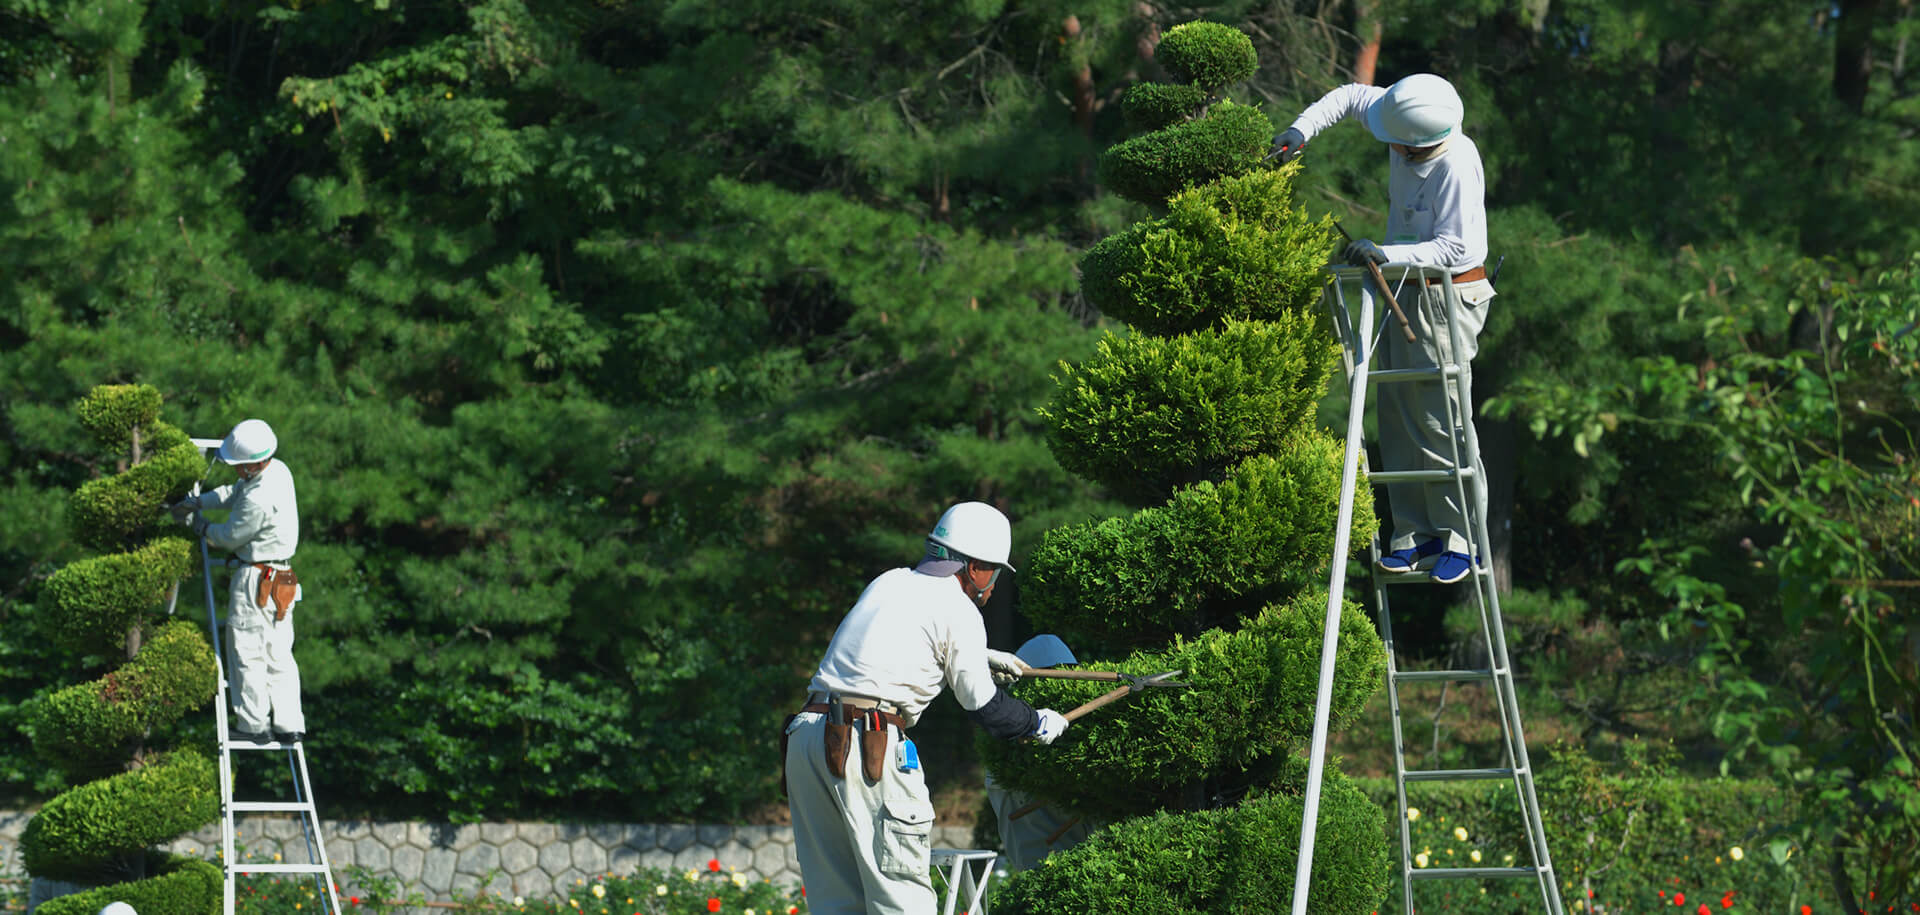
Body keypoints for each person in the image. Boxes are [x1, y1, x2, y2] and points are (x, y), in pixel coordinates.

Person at [783, 502, 1068, 915]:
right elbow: (983, 707)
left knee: (838, 904)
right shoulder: (961, 611)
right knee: (903, 904)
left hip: (807, 737)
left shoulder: (890, 582)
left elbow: (894, 641)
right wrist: (1037, 722)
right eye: (994, 573)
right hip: (866, 745)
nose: (992, 586)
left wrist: (983, 655)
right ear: (975, 568)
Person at [1272, 73, 1495, 584]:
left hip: (1447, 294)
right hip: (1402, 284)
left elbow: (1457, 248)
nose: (1389, 146)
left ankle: (1464, 538)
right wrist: (1301, 128)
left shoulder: (1456, 162)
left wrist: (1387, 251)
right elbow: (1352, 96)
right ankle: (1416, 534)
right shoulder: (1402, 113)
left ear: (1420, 142)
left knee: (1441, 417)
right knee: (1396, 413)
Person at [171, 418, 305, 744]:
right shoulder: (278, 471)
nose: (237, 470)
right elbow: (235, 492)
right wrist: (200, 501)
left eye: (241, 465)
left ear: (255, 461)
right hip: (283, 578)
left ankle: (253, 724)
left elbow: (228, 537)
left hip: (256, 579)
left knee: (248, 652)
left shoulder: (259, 498)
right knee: (279, 654)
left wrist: (197, 524)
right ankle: (289, 725)